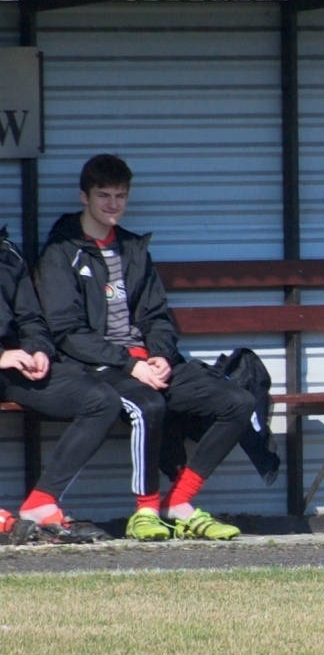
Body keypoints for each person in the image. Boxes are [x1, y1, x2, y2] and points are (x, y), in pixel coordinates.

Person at [35, 154, 255, 541]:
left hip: (146, 364)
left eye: (120, 196)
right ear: (84, 197)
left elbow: (156, 315)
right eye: (104, 195)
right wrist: (129, 364)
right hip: (95, 366)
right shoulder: (61, 252)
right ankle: (146, 511)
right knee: (148, 405)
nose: (113, 204)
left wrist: (159, 355)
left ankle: (180, 502)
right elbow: (67, 332)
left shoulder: (134, 249)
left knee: (238, 401)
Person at [0, 222, 121, 544]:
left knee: (101, 400)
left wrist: (37, 349)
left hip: (13, 365)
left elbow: (30, 317)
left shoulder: (7, 253)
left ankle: (41, 502)